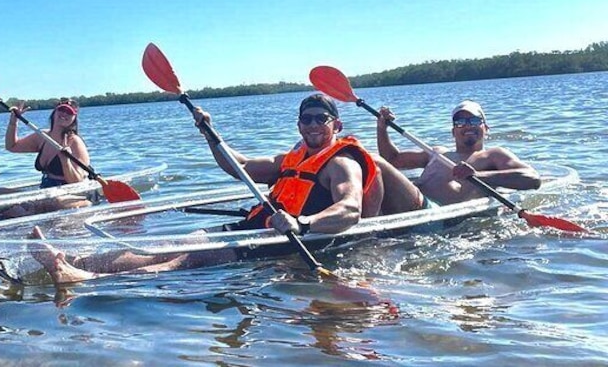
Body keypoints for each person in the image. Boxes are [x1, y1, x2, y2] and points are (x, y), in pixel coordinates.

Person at [30, 93, 385, 284]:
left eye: (319, 119)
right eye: (305, 119)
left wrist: (303, 223)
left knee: (187, 259)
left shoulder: (342, 162)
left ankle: (83, 279)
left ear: (335, 123)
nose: (311, 125)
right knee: (169, 244)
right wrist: (210, 135)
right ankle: (75, 260)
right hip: (253, 228)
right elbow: (240, 167)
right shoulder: (290, 157)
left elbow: (350, 209)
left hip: (282, 241)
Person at [376, 100, 540, 207]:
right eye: (460, 123)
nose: (468, 126)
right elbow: (392, 160)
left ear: (486, 128)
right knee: (368, 162)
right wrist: (382, 128)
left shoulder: (493, 155)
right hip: (408, 204)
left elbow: (533, 179)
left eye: (474, 121)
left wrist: (479, 176)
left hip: (432, 213)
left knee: (377, 163)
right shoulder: (435, 152)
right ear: (453, 131)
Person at [0, 98, 91, 211]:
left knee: (55, 202)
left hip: (71, 195)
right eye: (62, 110)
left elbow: (77, 183)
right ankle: (33, 208)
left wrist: (65, 162)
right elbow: (12, 146)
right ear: (54, 112)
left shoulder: (75, 142)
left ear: (74, 118)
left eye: (69, 112)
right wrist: (13, 122)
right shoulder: (42, 136)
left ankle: (32, 210)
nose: (64, 114)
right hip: (46, 192)